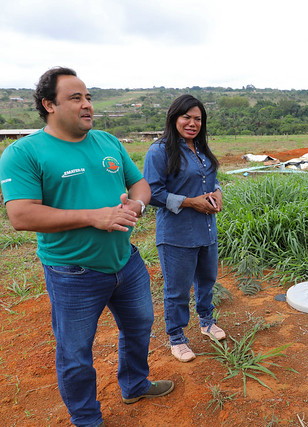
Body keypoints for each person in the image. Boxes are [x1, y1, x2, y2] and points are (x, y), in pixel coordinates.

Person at [0, 67, 173, 426]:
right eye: (76, 98)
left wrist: (136, 205)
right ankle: (87, 419)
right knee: (76, 353)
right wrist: (94, 216)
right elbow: (21, 214)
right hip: (73, 273)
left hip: (126, 262)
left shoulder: (107, 141)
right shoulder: (24, 153)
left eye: (89, 97)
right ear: (49, 104)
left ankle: (135, 384)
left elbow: (140, 184)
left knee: (140, 326)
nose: (87, 105)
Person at [143, 94, 226, 363]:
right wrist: (191, 203)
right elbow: (152, 193)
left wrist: (218, 192)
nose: (192, 123)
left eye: (198, 118)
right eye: (186, 117)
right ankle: (177, 337)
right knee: (177, 290)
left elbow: (212, 182)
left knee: (207, 280)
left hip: (206, 230)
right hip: (177, 234)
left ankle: (206, 321)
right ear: (174, 118)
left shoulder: (201, 150)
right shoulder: (160, 151)